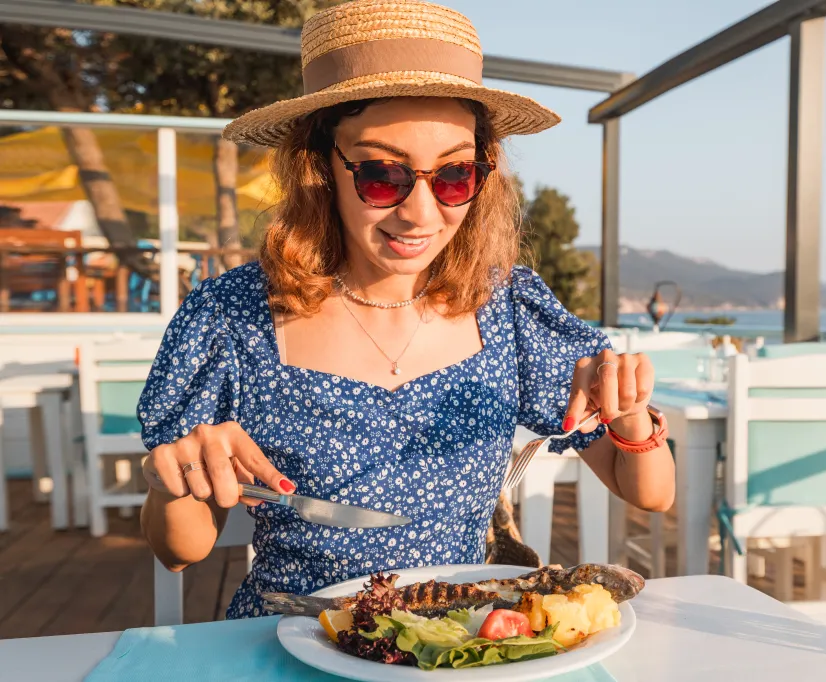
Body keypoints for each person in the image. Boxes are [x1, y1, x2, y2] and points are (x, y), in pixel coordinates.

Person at [137, 0, 675, 619]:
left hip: (462, 636)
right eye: (382, 175)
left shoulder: (509, 309)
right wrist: (172, 474)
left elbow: (651, 493)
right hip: (294, 640)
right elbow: (181, 550)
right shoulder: (231, 317)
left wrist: (632, 416)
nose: (421, 213)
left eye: (453, 175)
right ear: (320, 166)